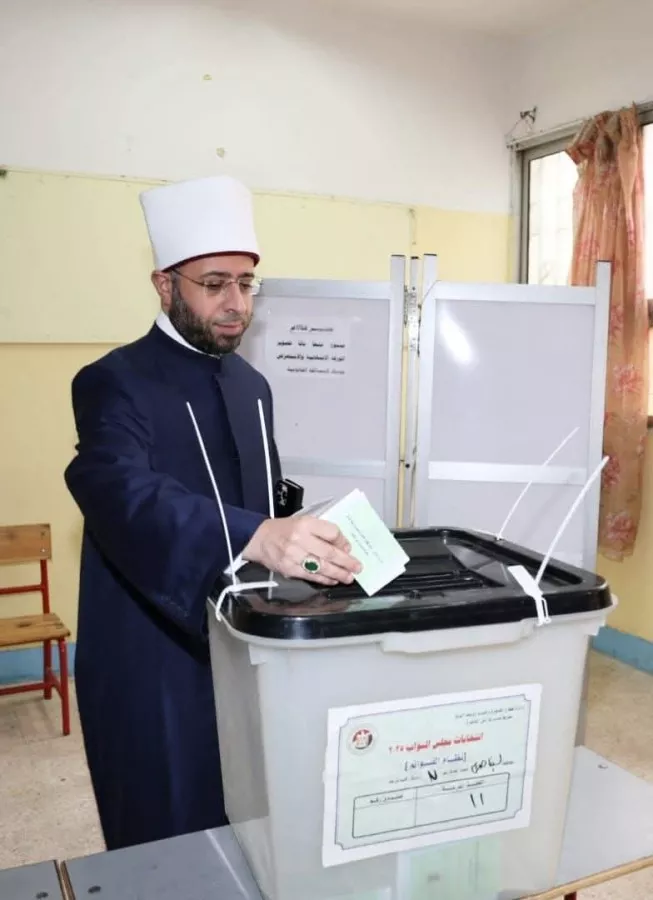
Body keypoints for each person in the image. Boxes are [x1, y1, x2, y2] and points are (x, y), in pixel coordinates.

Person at [64, 174, 361, 852]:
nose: (236, 304)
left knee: (254, 821)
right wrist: (255, 533)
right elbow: (115, 486)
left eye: (247, 284)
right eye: (214, 284)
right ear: (163, 285)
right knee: (166, 834)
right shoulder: (113, 381)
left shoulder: (252, 385)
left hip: (245, 641)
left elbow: (258, 494)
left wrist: (305, 532)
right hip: (151, 656)